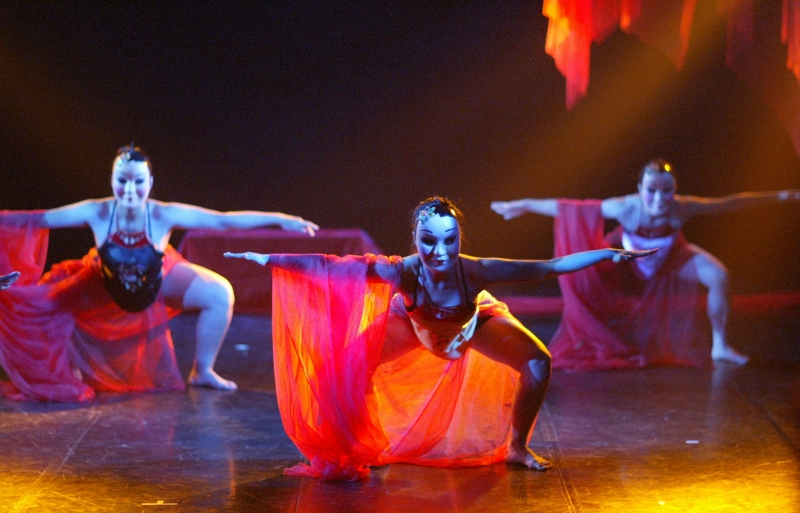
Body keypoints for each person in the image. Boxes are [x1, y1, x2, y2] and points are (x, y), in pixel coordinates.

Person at [225, 196, 654, 480]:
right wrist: (268, 258)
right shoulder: (403, 271)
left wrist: (608, 253)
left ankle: (517, 447)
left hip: (469, 325)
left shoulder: (477, 270)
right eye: (428, 242)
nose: (440, 253)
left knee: (538, 361)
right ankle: (353, 447)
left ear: (459, 239)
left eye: (449, 241)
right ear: (415, 239)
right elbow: (336, 267)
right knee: (344, 368)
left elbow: (548, 267)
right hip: (415, 326)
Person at [0, 144, 318, 402]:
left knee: (219, 293)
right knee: (38, 305)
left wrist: (280, 218)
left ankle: (203, 371)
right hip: (104, 285)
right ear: (112, 180)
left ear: (150, 183)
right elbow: (34, 220)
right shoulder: (97, 211)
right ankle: (65, 371)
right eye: (122, 180)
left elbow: (223, 220)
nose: (129, 189)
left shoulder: (162, 214)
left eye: (138, 181)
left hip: (157, 281)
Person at [491, 159, 800, 370]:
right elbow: (573, 208)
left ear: (674, 190)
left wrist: (783, 196)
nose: (659, 199)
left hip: (668, 256)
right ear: (640, 189)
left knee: (719, 275)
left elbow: (730, 203)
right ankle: (587, 332)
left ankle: (720, 345)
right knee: (586, 268)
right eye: (652, 191)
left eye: (667, 191)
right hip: (626, 260)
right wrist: (524, 205)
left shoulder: (682, 208)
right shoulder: (625, 208)